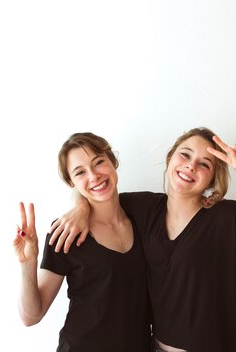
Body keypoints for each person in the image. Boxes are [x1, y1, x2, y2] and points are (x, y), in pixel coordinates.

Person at [47, 127, 236, 352]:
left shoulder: (228, 217)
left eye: (204, 164)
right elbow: (98, 191)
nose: (190, 166)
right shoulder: (143, 209)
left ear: (213, 178)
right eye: (185, 155)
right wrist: (80, 207)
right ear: (170, 159)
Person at [13, 132, 152, 352]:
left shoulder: (145, 212)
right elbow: (31, 316)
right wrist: (27, 262)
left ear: (113, 161)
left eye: (98, 162)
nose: (94, 176)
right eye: (80, 172)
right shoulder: (65, 232)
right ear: (72, 182)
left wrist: (81, 205)